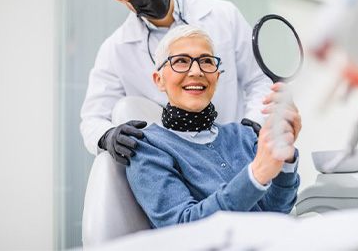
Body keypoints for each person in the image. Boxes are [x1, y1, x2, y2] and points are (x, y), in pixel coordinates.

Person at [80, 0, 279, 165]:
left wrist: (251, 126)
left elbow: (259, 81)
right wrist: (107, 136)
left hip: (239, 153)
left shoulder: (224, 16)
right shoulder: (116, 50)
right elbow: (93, 117)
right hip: (177, 166)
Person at [125, 25, 300, 228]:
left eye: (206, 61)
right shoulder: (148, 149)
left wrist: (285, 159)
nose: (197, 71)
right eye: (181, 61)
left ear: (216, 77)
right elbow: (183, 229)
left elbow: (276, 211)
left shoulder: (244, 136)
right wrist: (256, 174)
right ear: (159, 80)